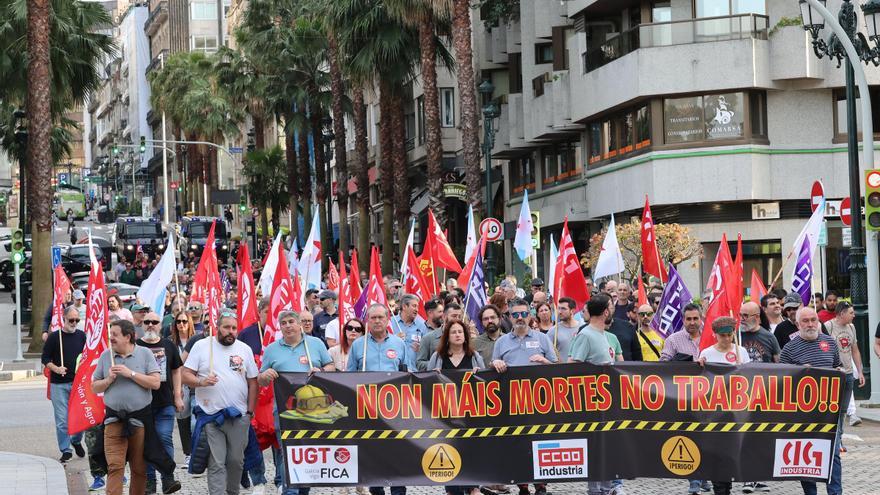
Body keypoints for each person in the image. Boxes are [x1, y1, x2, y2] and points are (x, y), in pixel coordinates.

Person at [258, 310, 335, 495]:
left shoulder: (315, 344)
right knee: (287, 453)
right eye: (283, 323)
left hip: (313, 412)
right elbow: (260, 379)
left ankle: (303, 491)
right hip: (284, 412)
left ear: (300, 323)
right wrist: (265, 376)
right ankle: (289, 492)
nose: (287, 325)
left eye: (291, 321)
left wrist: (321, 371)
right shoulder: (271, 349)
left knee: (307, 453)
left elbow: (331, 367)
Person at [91, 320, 172, 495]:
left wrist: (131, 374)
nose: (110, 338)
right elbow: (95, 387)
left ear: (128, 337)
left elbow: (155, 383)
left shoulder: (145, 354)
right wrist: (108, 380)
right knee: (114, 467)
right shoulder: (106, 356)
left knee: (139, 468)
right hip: (113, 420)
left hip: (140, 421)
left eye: (114, 334)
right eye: (110, 334)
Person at [182, 313, 258, 495]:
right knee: (216, 462)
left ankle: (232, 492)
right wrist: (200, 382)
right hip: (211, 415)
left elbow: (253, 382)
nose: (230, 332)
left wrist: (249, 412)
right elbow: (185, 374)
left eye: (233, 328)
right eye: (226, 327)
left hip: (239, 416)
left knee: (235, 461)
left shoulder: (244, 349)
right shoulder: (202, 346)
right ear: (217, 327)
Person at [489, 299, 555, 495]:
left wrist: (544, 361)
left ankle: (541, 484)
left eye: (523, 314)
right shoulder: (502, 342)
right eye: (515, 314)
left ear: (530, 315)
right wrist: (496, 363)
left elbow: (556, 367)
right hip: (512, 402)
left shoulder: (542, 339)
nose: (520, 318)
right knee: (517, 443)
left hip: (539, 401)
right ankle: (522, 485)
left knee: (539, 441)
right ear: (509, 317)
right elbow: (493, 365)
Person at [780, 307, 843, 495]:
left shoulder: (830, 342)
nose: (810, 324)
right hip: (803, 413)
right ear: (798, 324)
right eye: (805, 321)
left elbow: (836, 365)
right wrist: (798, 373)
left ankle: (835, 492)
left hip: (829, 410)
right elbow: (781, 381)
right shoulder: (789, 348)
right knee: (805, 455)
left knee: (833, 454)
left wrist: (839, 371)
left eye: (813, 320)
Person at [347, 305, 408, 495]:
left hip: (395, 409)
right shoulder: (358, 345)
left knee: (397, 452)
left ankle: (398, 490)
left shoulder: (399, 344)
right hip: (367, 408)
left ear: (388, 318)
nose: (377, 321)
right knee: (373, 452)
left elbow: (408, 373)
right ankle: (377, 490)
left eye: (380, 317)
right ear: (367, 320)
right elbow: (348, 376)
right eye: (373, 317)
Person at [696, 317, 749, 495]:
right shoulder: (707, 353)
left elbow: (752, 380)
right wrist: (699, 366)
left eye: (729, 335)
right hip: (714, 414)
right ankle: (721, 489)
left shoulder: (741, 351)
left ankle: (727, 485)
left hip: (737, 413)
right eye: (722, 336)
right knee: (717, 455)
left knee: (732, 454)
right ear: (715, 335)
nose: (726, 339)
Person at [137, 313, 184, 495]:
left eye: (154, 322)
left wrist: (178, 395)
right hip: (142, 403)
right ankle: (150, 480)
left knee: (164, 438)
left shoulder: (169, 345)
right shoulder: (137, 346)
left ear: (160, 325)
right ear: (142, 324)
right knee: (146, 442)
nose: (150, 325)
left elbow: (176, 371)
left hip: (165, 402)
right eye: (146, 322)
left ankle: (167, 478)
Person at [41, 305, 87, 463]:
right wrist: (56, 368)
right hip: (59, 384)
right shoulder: (55, 337)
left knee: (80, 417)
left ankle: (75, 440)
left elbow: (87, 357)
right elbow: (45, 359)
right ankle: (65, 449)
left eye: (77, 320)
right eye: (71, 320)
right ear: (64, 319)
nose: (74, 323)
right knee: (62, 419)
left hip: (77, 384)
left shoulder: (82, 336)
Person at [823, 301, 864, 427]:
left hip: (848, 373)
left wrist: (860, 371)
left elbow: (855, 350)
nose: (854, 315)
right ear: (842, 314)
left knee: (843, 411)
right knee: (833, 410)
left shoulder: (851, 327)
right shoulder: (828, 326)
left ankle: (839, 439)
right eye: (851, 313)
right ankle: (835, 439)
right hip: (833, 374)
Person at [170, 312, 196, 465]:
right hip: (178, 384)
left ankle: (197, 451)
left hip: (193, 383)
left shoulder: (197, 340)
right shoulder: (171, 342)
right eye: (178, 321)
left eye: (184, 321)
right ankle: (188, 453)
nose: (181, 324)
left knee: (195, 420)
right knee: (182, 419)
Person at [392, 294, 428, 370]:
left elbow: (427, 351)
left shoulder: (422, 325)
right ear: (404, 306)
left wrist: (421, 350)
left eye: (417, 307)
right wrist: (394, 339)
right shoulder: (391, 322)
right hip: (394, 372)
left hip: (414, 373)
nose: (417, 309)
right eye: (414, 306)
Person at [546, 298, 580, 362]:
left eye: (563, 309)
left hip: (581, 369)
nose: (560, 312)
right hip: (561, 369)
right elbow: (547, 352)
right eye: (559, 308)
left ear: (572, 311)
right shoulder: (553, 331)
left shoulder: (581, 328)